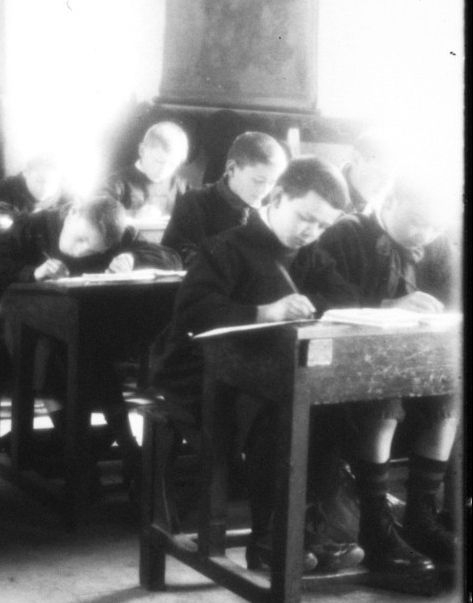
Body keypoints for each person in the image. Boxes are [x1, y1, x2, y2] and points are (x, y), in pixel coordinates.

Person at [149, 157, 362, 574]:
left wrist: (310, 305)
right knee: (274, 411)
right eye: (306, 218)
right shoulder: (223, 248)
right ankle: (269, 540)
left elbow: (344, 297)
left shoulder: (308, 252)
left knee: (331, 406)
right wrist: (266, 312)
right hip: (199, 374)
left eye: (322, 226)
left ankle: (308, 528)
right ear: (278, 197)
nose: (311, 232)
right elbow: (194, 314)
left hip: (271, 371)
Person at [0, 194, 182, 474]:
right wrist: (31, 273)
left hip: (82, 331)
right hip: (15, 333)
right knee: (55, 353)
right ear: (71, 213)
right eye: (81, 239)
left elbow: (169, 258)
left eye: (93, 250)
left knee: (81, 347)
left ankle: (100, 454)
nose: (82, 251)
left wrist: (132, 258)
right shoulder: (33, 227)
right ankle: (104, 451)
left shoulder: (118, 232)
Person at [317, 173, 460, 581]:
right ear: (390, 200)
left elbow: (451, 301)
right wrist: (390, 306)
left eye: (435, 226)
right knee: (384, 395)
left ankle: (421, 518)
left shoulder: (433, 242)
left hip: (412, 368)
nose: (425, 234)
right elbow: (327, 300)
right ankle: (376, 526)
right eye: (417, 222)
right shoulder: (345, 234)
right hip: (345, 378)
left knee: (447, 395)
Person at [162, 132, 288, 266]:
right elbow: (175, 256)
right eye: (258, 181)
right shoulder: (194, 203)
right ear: (231, 168)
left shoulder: (271, 211)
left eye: (272, 183)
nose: (264, 191)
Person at [102, 121, 190, 217]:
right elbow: (95, 216)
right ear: (142, 150)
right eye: (159, 161)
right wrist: (133, 215)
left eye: (172, 165)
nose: (163, 170)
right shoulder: (116, 184)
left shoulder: (182, 187)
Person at [0, 154, 68, 217]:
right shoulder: (2, 190)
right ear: (26, 173)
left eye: (53, 182)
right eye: (40, 180)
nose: (46, 188)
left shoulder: (66, 196)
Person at [341, 129, 397, 214]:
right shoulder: (323, 193)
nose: (385, 183)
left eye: (390, 176)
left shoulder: (386, 208)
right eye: (380, 173)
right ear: (356, 159)